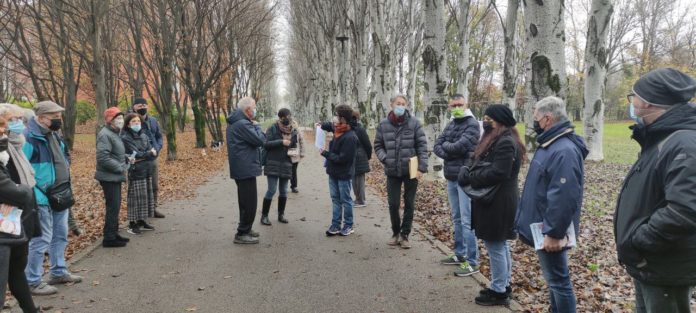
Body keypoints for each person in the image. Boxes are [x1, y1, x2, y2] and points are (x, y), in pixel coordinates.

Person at [614, 68, 696, 313]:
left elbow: (685, 211)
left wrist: (640, 241)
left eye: (634, 97)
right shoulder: (661, 138)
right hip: (651, 264)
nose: (633, 103)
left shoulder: (683, 143)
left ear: (647, 102)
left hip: (664, 266)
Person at [516, 96, 587, 313]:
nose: (533, 121)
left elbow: (564, 196)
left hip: (549, 230)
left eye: (536, 116)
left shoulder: (563, 150)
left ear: (547, 119)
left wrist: (554, 232)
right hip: (543, 226)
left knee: (559, 281)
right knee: (554, 280)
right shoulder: (550, 144)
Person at [458, 105, 524, 306]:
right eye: (484, 117)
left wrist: (471, 177)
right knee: (499, 245)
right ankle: (503, 284)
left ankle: (498, 290)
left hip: (499, 202)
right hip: (495, 200)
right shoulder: (495, 138)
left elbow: (498, 172)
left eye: (489, 118)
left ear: (500, 120)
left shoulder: (505, 142)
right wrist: (467, 169)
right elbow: (476, 159)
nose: (485, 122)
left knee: (495, 245)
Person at [24, 101, 82, 296]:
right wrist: (37, 193)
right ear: (41, 118)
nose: (59, 120)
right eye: (55, 116)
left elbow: (65, 156)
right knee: (41, 240)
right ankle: (32, 281)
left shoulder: (55, 135)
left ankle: (58, 271)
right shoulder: (28, 139)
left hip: (60, 194)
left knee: (60, 235)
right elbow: (21, 171)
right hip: (41, 197)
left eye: (60, 115)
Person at [433, 94, 481, 276]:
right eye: (453, 105)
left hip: (465, 177)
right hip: (451, 177)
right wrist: (448, 148)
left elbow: (460, 147)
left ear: (466, 104)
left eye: (460, 104)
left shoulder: (472, 124)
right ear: (449, 107)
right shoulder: (452, 123)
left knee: (467, 220)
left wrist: (447, 148)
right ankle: (459, 253)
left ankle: (472, 261)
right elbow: (437, 145)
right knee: (457, 217)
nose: (457, 107)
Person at [373, 95, 428, 249]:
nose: (401, 106)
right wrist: (386, 158)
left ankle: (405, 235)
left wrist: (421, 168)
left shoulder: (415, 123)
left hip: (411, 170)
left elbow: (422, 147)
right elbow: (378, 145)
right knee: (393, 204)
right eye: (398, 103)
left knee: (409, 203)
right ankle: (395, 232)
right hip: (392, 170)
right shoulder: (383, 125)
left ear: (407, 106)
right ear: (391, 105)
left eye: (403, 104)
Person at [0, 114, 40, 313]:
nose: (4, 131)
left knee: (16, 272)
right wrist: (22, 190)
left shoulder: (10, 150)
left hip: (14, 222)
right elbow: (15, 190)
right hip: (4, 228)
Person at [226, 97, 265, 244]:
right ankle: (242, 233)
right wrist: (257, 126)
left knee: (245, 201)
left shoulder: (237, 122)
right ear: (248, 110)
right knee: (249, 202)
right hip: (245, 168)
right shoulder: (243, 124)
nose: (255, 110)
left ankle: (246, 229)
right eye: (254, 107)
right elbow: (260, 140)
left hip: (242, 167)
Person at [321, 104, 358, 237]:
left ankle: (349, 224)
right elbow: (328, 125)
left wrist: (326, 153)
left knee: (345, 199)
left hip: (344, 173)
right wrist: (320, 125)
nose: (335, 119)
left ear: (343, 118)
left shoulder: (350, 137)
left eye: (337, 116)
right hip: (333, 172)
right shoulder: (338, 129)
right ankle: (336, 224)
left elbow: (343, 159)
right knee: (335, 199)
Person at [96, 107, 130, 247]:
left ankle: (114, 233)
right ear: (110, 121)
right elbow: (103, 157)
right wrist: (120, 168)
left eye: (121, 118)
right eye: (118, 119)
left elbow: (115, 154)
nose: (121, 121)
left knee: (115, 206)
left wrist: (126, 158)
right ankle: (109, 238)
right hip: (109, 176)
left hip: (115, 176)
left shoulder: (115, 133)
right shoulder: (105, 134)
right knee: (113, 206)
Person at [120, 113, 157, 235]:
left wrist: (146, 153)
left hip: (146, 169)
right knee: (135, 198)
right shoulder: (125, 137)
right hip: (135, 170)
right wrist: (148, 153)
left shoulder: (144, 135)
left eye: (138, 121)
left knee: (145, 197)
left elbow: (151, 149)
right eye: (133, 122)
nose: (136, 123)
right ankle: (132, 224)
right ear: (128, 124)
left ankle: (142, 221)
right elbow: (137, 154)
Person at [260, 108, 297, 225]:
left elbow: (294, 146)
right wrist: (281, 142)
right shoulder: (272, 128)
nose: (288, 119)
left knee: (284, 191)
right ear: (280, 118)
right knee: (271, 190)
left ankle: (281, 214)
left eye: (289, 116)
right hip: (273, 163)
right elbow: (266, 144)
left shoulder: (293, 130)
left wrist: (293, 153)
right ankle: (264, 216)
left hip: (286, 163)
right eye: (286, 117)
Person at [132, 98, 165, 218]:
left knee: (154, 185)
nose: (142, 107)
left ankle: (153, 208)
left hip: (153, 158)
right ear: (134, 107)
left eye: (144, 105)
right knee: (141, 188)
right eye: (139, 105)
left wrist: (158, 148)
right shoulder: (131, 121)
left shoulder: (153, 121)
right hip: (139, 160)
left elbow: (159, 136)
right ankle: (141, 213)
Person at [351, 111, 372, 208]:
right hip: (354, 157)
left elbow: (367, 144)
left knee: (359, 180)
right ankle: (357, 199)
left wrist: (367, 156)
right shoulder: (352, 128)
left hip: (360, 157)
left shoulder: (360, 129)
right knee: (355, 180)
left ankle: (361, 200)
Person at [289, 119, 305, 193]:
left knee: (293, 171)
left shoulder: (298, 132)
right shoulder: (285, 131)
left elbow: (302, 143)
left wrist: (302, 153)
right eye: (291, 123)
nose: (292, 124)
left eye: (294, 123)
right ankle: (284, 186)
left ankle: (294, 186)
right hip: (286, 154)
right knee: (286, 170)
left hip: (294, 154)